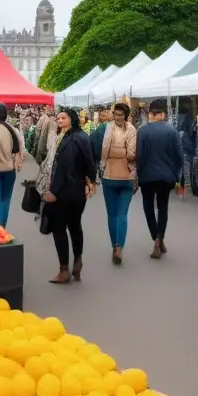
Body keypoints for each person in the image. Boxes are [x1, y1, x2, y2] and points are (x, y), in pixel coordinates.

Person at [46, 109, 97, 284]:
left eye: (63, 118)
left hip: (63, 192)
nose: (60, 120)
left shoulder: (68, 139)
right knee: (75, 225)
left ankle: (63, 269)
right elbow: (91, 163)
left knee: (59, 228)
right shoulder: (84, 137)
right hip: (78, 192)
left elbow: (63, 169)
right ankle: (78, 259)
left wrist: (53, 191)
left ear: (72, 119)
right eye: (58, 118)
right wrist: (90, 181)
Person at [136, 99, 183, 259]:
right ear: (163, 114)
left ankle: (155, 237)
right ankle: (160, 237)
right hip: (166, 176)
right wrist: (176, 175)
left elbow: (140, 156)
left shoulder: (142, 131)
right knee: (163, 207)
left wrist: (138, 175)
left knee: (148, 207)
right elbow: (179, 156)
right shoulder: (172, 131)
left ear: (151, 114)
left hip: (147, 176)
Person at [100, 102, 137, 265]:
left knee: (112, 214)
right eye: (116, 114)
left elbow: (97, 149)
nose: (116, 117)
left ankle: (114, 246)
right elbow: (131, 155)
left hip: (109, 174)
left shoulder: (106, 129)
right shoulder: (131, 130)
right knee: (122, 214)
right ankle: (119, 247)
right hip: (127, 176)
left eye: (119, 114)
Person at [89, 109, 110, 180]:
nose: (101, 117)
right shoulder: (100, 125)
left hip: (100, 154)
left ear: (108, 117)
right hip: (101, 155)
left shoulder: (104, 126)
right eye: (100, 115)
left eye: (104, 116)